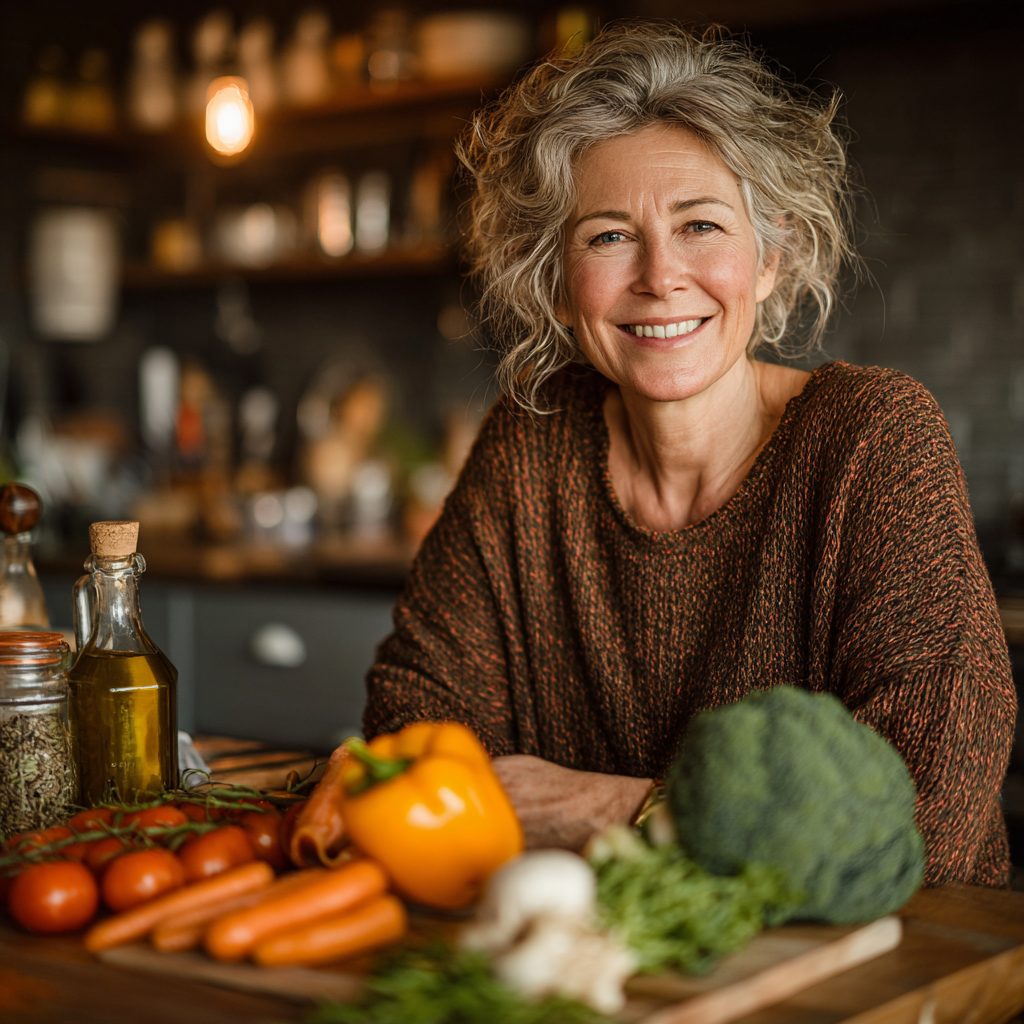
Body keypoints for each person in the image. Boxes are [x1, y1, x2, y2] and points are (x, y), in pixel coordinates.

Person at [364, 23, 1015, 886]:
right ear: (555, 285)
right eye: (607, 236)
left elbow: (922, 815)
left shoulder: (873, 439)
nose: (660, 276)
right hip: (612, 975)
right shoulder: (531, 445)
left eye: (701, 224)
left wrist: (611, 807)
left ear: (771, 257)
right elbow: (408, 736)